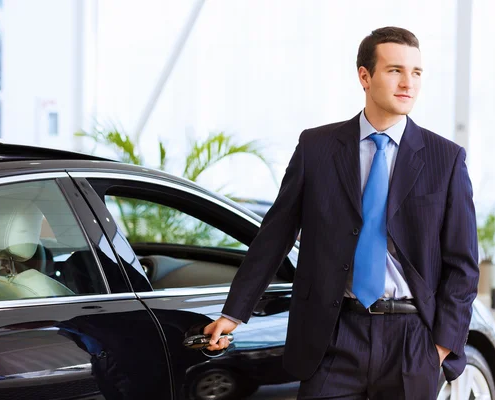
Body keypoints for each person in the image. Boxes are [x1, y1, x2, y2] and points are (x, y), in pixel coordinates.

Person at [204, 26, 479, 399]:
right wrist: (234, 313)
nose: (408, 83)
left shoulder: (445, 159)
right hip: (332, 335)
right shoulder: (316, 148)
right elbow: (276, 235)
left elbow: (463, 266)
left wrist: (439, 349)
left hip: (411, 340)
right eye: (395, 70)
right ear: (364, 76)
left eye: (416, 72)